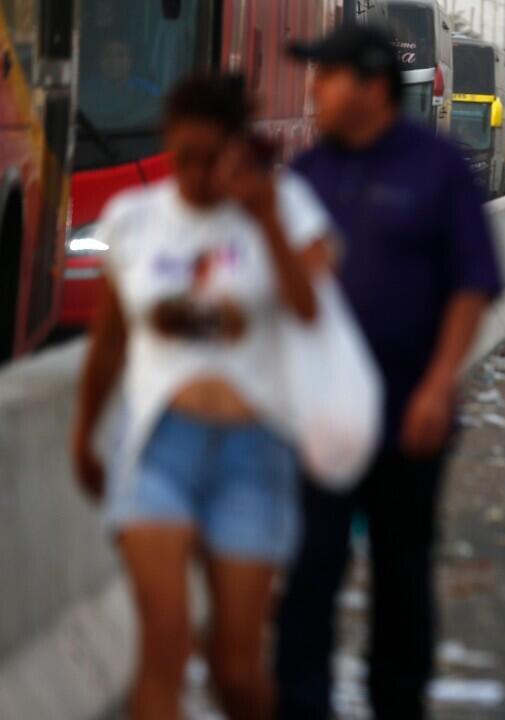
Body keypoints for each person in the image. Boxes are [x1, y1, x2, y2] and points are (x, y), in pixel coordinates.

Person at [72, 74, 331, 720]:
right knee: (163, 646)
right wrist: (84, 433)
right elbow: (109, 342)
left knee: (235, 671)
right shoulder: (134, 220)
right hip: (158, 450)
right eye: (183, 156)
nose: (194, 174)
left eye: (210, 158)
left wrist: (265, 220)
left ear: (236, 149)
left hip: (255, 456)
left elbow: (312, 315)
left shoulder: (283, 211)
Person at [277, 26, 503, 719]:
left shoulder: (436, 167)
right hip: (322, 419)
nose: (313, 93)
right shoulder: (306, 175)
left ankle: (396, 705)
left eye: (327, 78)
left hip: (411, 413)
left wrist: (440, 385)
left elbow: (473, 283)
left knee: (401, 577)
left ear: (372, 87)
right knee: (309, 574)